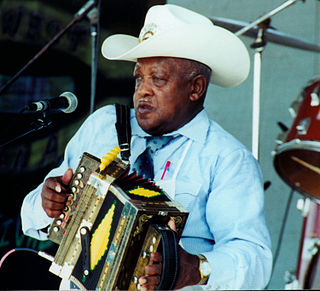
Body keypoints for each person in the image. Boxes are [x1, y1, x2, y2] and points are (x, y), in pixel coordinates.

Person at [21, 4, 272, 290]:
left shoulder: (227, 158)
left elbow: (256, 260)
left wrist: (195, 268)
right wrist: (47, 205)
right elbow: (30, 219)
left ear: (196, 88)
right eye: (139, 77)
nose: (143, 90)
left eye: (159, 79)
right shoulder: (104, 125)